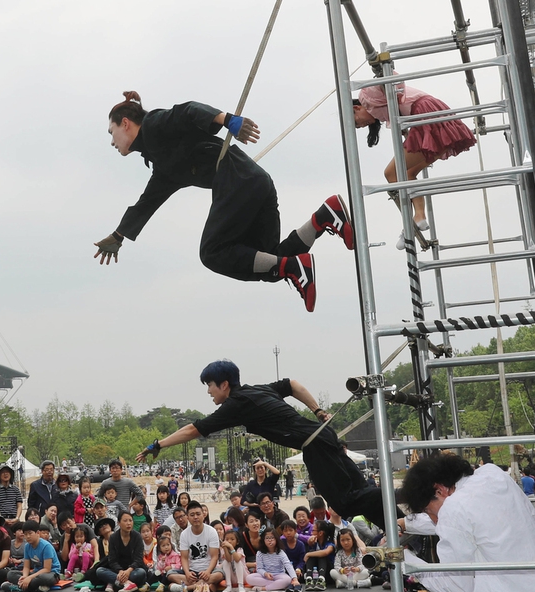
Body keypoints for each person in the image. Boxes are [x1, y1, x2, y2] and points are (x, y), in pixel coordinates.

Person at [97, 92, 353, 313]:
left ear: (126, 123)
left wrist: (228, 120)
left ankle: (296, 265)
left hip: (237, 181)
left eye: (112, 132)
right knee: (270, 263)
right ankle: (325, 216)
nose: (111, 141)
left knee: (212, 252)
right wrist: (119, 236)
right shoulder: (164, 164)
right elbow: (148, 201)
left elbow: (187, 111)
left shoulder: (154, 125)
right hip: (255, 182)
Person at [138, 360, 398, 529]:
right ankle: (401, 522)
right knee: (360, 491)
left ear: (224, 385)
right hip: (324, 435)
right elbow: (293, 384)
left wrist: (157, 445)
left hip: (314, 446)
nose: (208, 392)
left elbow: (192, 430)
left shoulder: (235, 405)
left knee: (344, 504)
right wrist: (316, 409)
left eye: (210, 386)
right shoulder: (259, 389)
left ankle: (399, 494)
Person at [397, 454, 535, 592]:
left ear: (440, 490)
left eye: (428, 510)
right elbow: (471, 521)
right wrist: (407, 523)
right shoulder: (492, 475)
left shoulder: (454, 509)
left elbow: (455, 586)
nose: (433, 519)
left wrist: (403, 559)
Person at [353, 79, 476, 250]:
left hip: (425, 114)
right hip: (430, 114)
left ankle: (409, 223)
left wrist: (381, 71)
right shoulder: (382, 109)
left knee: (391, 173)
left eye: (358, 122)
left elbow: (391, 78)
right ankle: (419, 217)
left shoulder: (365, 96)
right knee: (408, 174)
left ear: (356, 108)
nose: (363, 125)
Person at [167, 500, 222, 592]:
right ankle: (202, 585)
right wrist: (187, 573)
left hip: (208, 570)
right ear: (188, 517)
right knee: (170, 574)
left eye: (198, 514)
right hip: (192, 571)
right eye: (192, 515)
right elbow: (184, 557)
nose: (195, 517)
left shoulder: (212, 531)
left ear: (203, 515)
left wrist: (208, 572)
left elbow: (214, 556)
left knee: (220, 574)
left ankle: (190, 587)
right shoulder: (184, 534)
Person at [1, 519, 61, 592]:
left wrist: (29, 578)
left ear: (37, 533)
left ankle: (18, 587)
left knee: (42, 578)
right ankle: (29, 586)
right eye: (25, 534)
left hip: (51, 573)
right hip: (35, 573)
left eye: (30, 533)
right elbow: (26, 566)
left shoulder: (46, 546)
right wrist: (25, 577)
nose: (28, 536)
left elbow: (47, 569)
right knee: (11, 574)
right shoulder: (27, 546)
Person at [96, 511, 147, 592]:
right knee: (100, 571)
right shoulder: (113, 537)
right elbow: (112, 560)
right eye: (125, 521)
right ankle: (127, 584)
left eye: (130, 520)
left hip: (132, 570)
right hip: (117, 571)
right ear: (119, 523)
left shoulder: (137, 536)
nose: (128, 523)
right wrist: (120, 571)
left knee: (141, 572)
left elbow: (138, 559)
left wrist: (128, 571)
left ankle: (114, 582)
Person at [247, 528, 299, 592]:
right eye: (267, 538)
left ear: (276, 540)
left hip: (279, 574)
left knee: (287, 580)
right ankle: (276, 585)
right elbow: (259, 568)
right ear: (263, 540)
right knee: (249, 578)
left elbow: (288, 565)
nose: (270, 540)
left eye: (272, 538)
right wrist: (265, 574)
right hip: (265, 576)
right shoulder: (260, 553)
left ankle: (264, 588)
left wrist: (295, 579)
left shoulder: (280, 552)